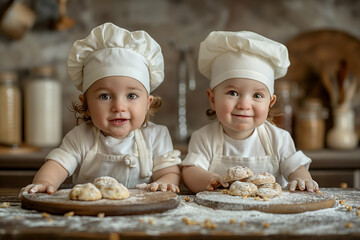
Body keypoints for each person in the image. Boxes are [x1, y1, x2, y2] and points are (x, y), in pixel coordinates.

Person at [21, 23, 181, 195]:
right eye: (105, 96)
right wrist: (45, 182)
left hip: (142, 215)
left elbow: (169, 172)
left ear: (148, 103)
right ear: (87, 104)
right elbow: (57, 165)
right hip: (90, 214)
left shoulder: (157, 137)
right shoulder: (80, 138)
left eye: (132, 96)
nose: (119, 107)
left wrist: (165, 182)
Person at [182, 31, 319, 193]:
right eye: (233, 93)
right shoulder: (204, 138)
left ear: (270, 103)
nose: (244, 104)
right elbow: (190, 171)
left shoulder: (279, 139)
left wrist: (301, 178)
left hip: (269, 213)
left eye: (257, 95)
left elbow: (296, 167)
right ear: (212, 99)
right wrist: (211, 180)